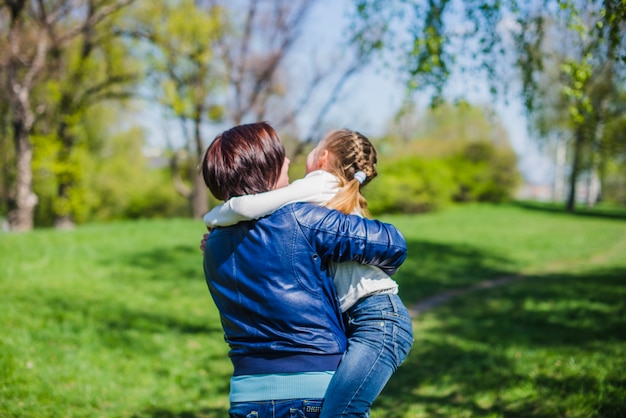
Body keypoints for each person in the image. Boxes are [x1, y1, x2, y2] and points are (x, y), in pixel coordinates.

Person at [200, 122, 408, 418]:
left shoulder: (213, 245)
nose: (288, 161)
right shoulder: (302, 217)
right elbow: (393, 245)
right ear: (267, 167)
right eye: (280, 156)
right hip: (312, 387)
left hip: (246, 395)